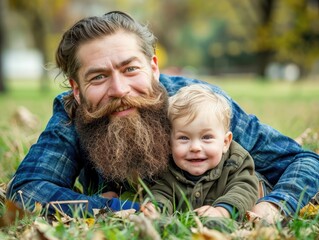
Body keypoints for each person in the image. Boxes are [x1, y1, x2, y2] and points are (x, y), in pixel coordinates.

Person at [6, 11, 319, 223]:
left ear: (153, 68)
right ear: (77, 89)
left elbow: (304, 162)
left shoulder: (197, 104)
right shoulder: (72, 113)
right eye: (98, 77)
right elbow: (27, 189)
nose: (119, 89)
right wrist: (121, 209)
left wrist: (273, 206)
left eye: (130, 69)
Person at [142, 84, 259, 221]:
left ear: (225, 142)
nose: (195, 147)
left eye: (207, 137)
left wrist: (223, 211)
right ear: (169, 143)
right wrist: (156, 207)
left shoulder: (236, 161)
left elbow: (244, 189)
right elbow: (161, 191)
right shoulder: (167, 168)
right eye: (184, 138)